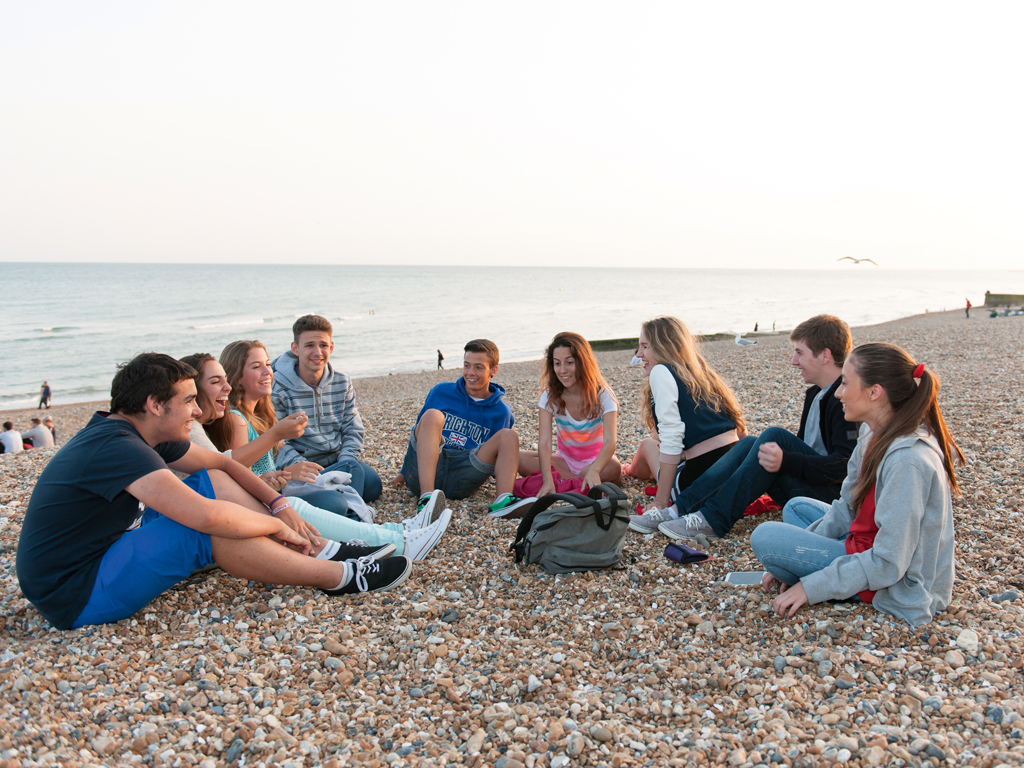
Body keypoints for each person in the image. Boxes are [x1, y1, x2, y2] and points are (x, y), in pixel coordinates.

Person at [16, 353, 415, 631]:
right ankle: (340, 575)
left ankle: (325, 547)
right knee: (207, 530)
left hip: (104, 551)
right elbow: (206, 517)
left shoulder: (135, 430)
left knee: (215, 482)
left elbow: (224, 464)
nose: (197, 411)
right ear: (155, 405)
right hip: (74, 591)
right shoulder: (117, 447)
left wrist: (279, 504)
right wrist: (276, 526)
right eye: (189, 400)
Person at [750, 342, 963, 626]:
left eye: (846, 383)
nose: (838, 392)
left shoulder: (908, 460)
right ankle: (808, 562)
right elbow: (847, 508)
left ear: (875, 392)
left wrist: (812, 586)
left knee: (765, 537)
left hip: (895, 582)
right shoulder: (870, 433)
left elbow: (889, 563)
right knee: (797, 507)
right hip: (864, 545)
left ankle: (820, 572)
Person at [182, 353, 450, 561]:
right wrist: (281, 462)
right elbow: (224, 474)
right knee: (311, 503)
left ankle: (395, 533)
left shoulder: (212, 423)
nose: (268, 372)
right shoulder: (216, 425)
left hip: (260, 495)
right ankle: (396, 538)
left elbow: (226, 475)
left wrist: (273, 477)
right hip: (228, 516)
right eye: (215, 382)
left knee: (364, 476)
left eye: (267, 364)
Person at [648, 315, 858, 540]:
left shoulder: (845, 400)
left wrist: (786, 461)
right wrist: (783, 459)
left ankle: (713, 519)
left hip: (830, 501)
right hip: (809, 487)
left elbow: (845, 466)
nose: (794, 361)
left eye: (800, 353)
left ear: (824, 355)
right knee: (749, 443)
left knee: (774, 437)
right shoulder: (816, 394)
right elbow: (803, 448)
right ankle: (677, 510)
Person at [623, 316, 745, 527]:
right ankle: (632, 470)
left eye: (645, 346)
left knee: (647, 445)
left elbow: (670, 438)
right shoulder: (702, 373)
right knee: (657, 443)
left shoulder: (661, 371)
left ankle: (629, 471)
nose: (639, 354)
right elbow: (739, 430)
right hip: (734, 473)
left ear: (664, 348)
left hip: (698, 480)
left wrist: (661, 502)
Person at [391, 339, 534, 516]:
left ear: (493, 370)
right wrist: (403, 472)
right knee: (432, 415)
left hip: (463, 478)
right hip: (424, 474)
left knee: (509, 436)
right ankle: (427, 501)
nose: (470, 373)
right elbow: (418, 433)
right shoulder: (441, 392)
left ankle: (503, 501)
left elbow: (496, 457)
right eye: (467, 365)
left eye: (479, 367)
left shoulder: (501, 412)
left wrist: (512, 479)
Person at [220, 339, 350, 518]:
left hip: (276, 493)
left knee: (360, 480)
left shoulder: (260, 413)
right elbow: (241, 485)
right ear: (237, 377)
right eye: (256, 366)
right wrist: (289, 474)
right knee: (337, 501)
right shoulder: (237, 420)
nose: (268, 371)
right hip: (263, 507)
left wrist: (287, 474)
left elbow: (264, 472)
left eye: (267, 364)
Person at [271, 315, 383, 503]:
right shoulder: (278, 387)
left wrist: (344, 465)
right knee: (337, 500)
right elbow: (277, 441)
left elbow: (352, 429)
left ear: (331, 347)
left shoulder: (342, 381)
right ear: (295, 348)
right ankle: (353, 514)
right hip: (301, 469)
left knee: (373, 486)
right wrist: (301, 467)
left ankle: (338, 497)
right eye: (309, 346)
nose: (317, 352)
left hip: (335, 461)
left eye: (323, 345)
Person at [518, 332, 621, 497]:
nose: (562, 370)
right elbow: (544, 442)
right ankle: (577, 483)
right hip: (564, 462)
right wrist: (547, 479)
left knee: (614, 468)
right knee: (519, 458)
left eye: (569, 362)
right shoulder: (550, 396)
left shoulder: (603, 394)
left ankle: (569, 483)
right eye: (557, 363)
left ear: (583, 362)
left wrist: (594, 470)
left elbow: (610, 441)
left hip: (596, 462)